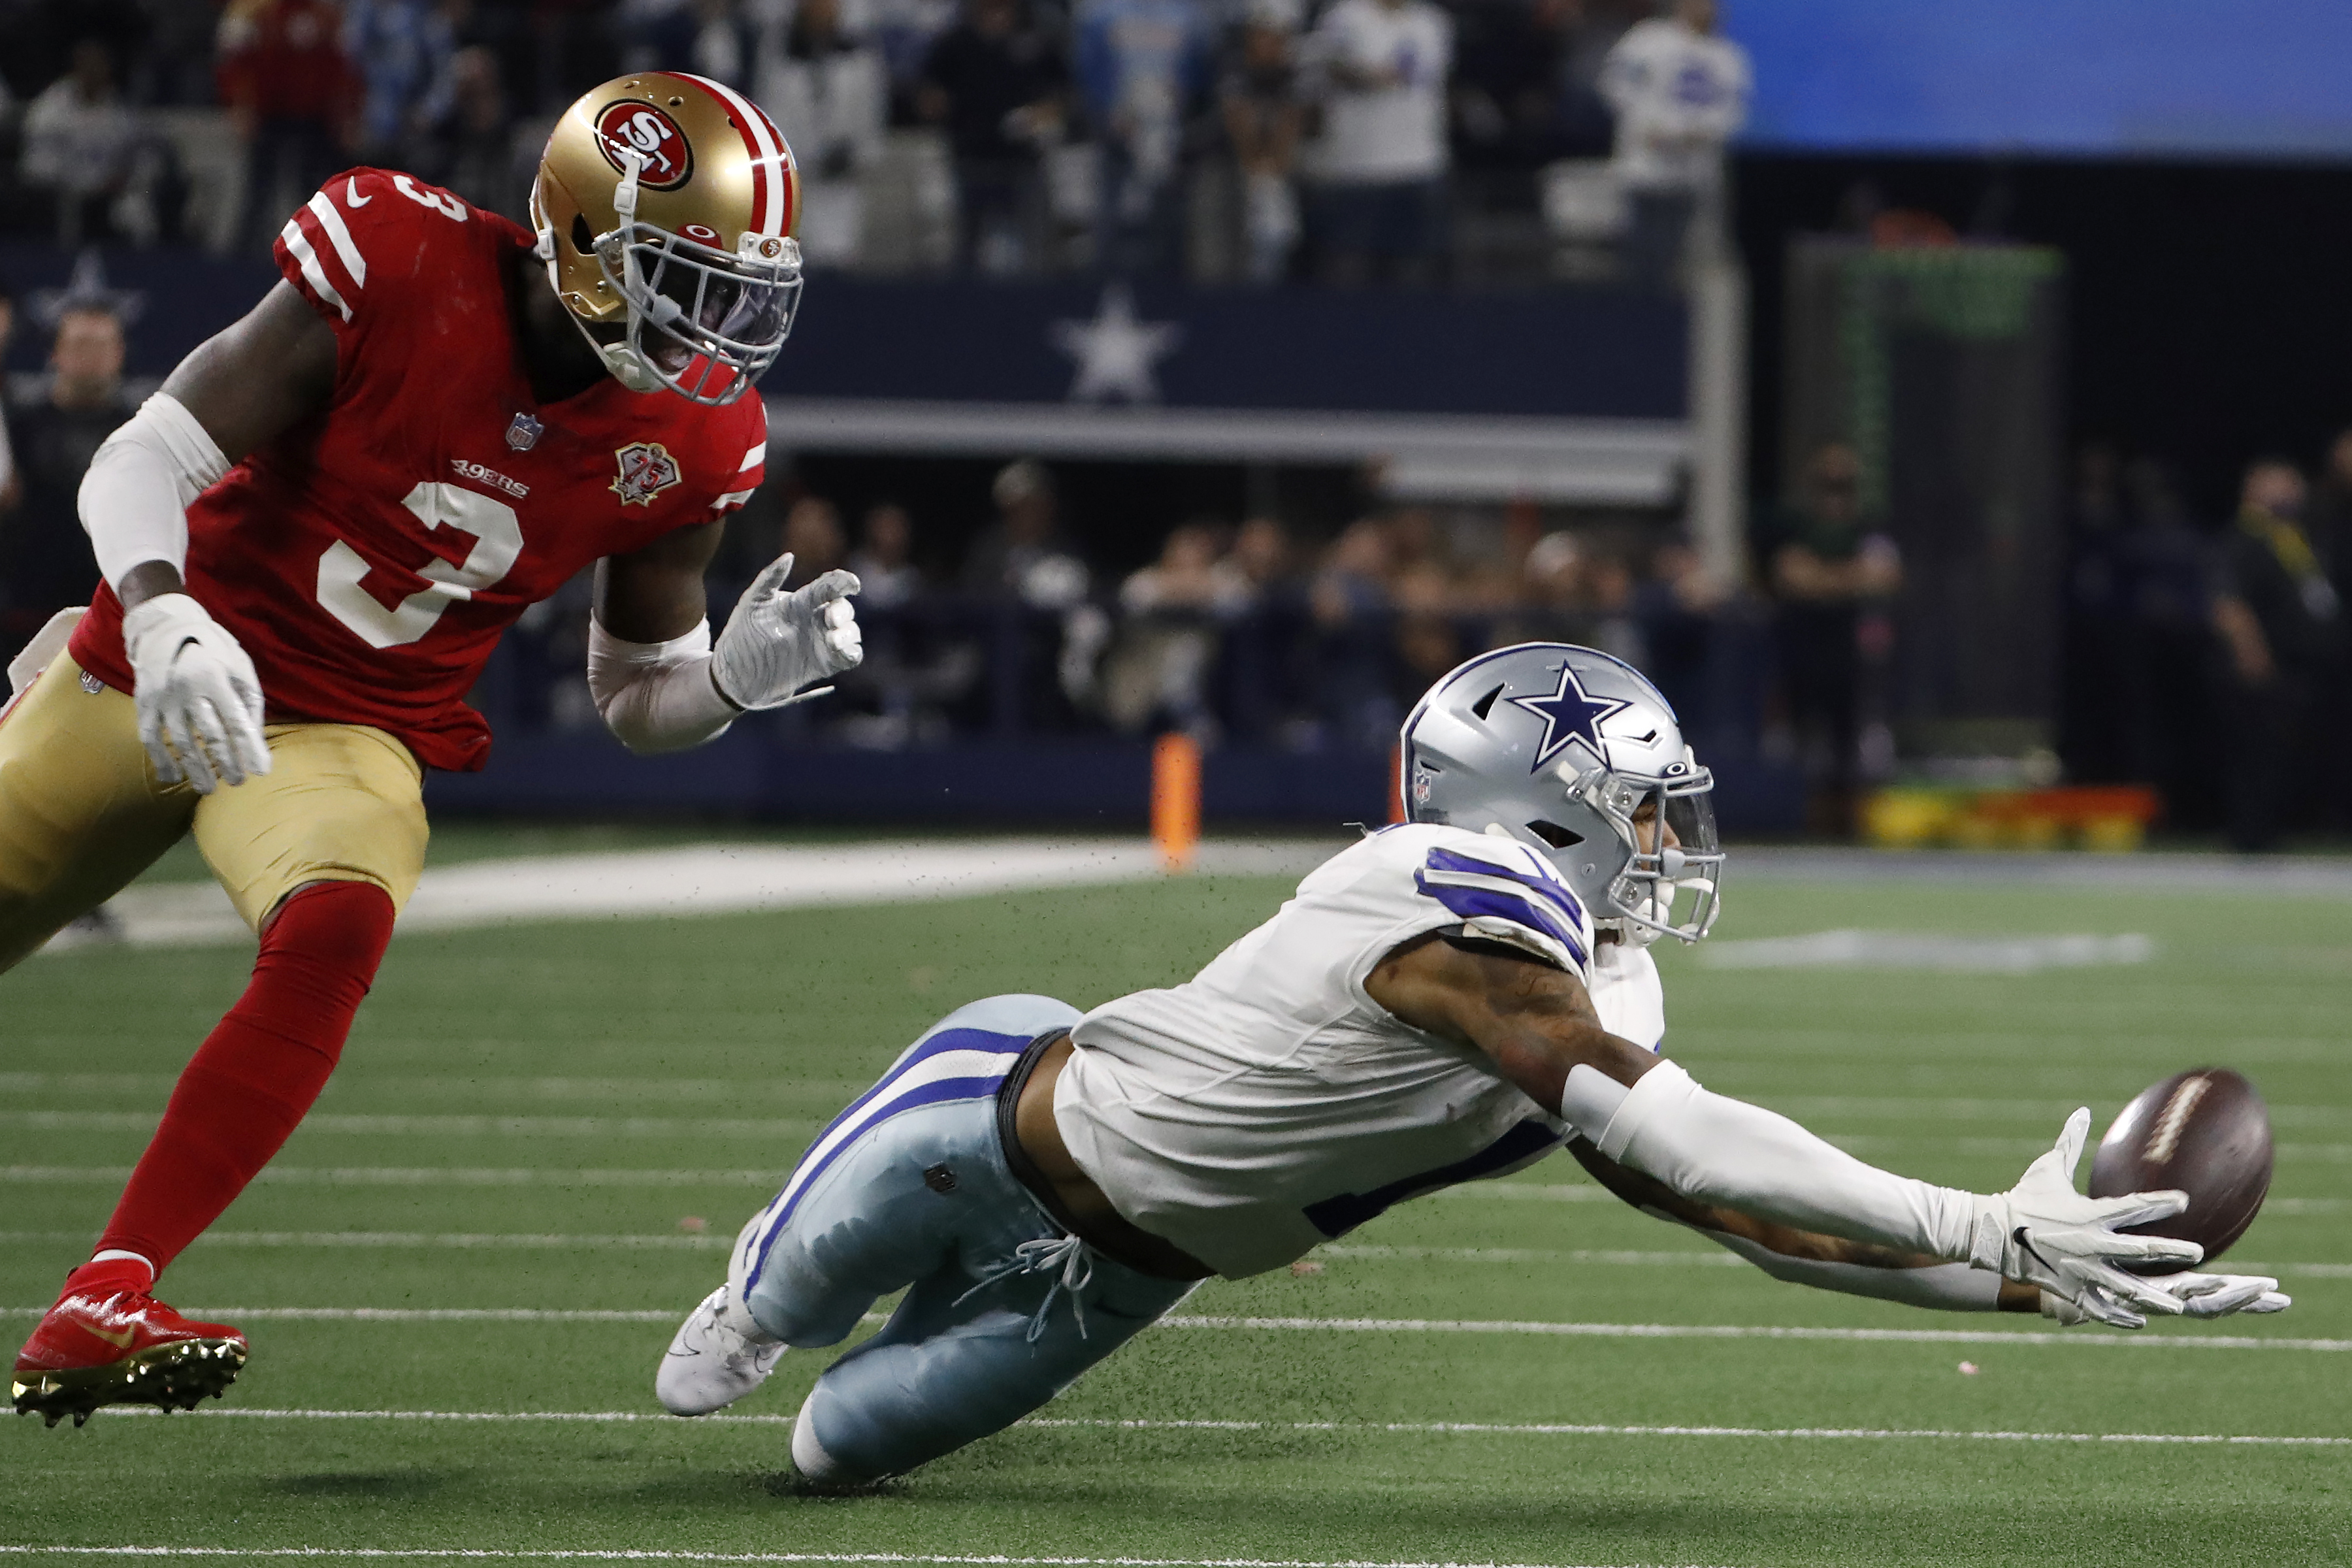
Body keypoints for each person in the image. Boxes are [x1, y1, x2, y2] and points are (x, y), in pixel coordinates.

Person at [654, 641, 2288, 1486]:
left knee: (830, 1453)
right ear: (1541, 799)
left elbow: (1744, 1220)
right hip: (978, 1130)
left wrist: (2035, 1280)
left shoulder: (1596, 977)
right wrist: (1974, 1213)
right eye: (1643, 801)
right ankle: (761, 1269)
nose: (1665, 834)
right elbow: (1693, 1135)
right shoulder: (1440, 894)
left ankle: (826, 1329)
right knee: (754, 1337)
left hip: (1124, 1275)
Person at [6, 72, 866, 1428]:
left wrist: (731, 684)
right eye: (686, 277)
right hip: (151, 673)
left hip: (346, 727)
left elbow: (637, 693)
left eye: (741, 289)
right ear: (582, 238)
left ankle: (109, 1288)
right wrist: (163, 611)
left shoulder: (692, 440)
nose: (720, 329)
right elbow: (138, 459)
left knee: (339, 920)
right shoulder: (399, 259)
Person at [1760, 440, 1898, 839]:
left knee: (1850, 739)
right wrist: (1850, 578)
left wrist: (1824, 579)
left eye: (1844, 484)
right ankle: (1801, 821)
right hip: (1803, 651)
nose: (1836, 493)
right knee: (1802, 739)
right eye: (1828, 483)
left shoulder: (1869, 528)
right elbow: (1792, 576)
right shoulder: (1795, 526)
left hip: (1852, 655)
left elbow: (1885, 575)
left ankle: (1848, 823)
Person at [2209, 459, 2342, 853]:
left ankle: (2279, 833)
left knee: (2291, 755)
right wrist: (2251, 652)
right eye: (2279, 485)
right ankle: (2250, 840)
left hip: (2306, 670)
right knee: (2257, 755)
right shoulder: (2241, 539)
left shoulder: (2295, 536)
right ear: (2252, 490)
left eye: (2294, 485)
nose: (2291, 493)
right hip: (2264, 669)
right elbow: (2229, 603)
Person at [0, 307, 136, 652]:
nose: (91, 355)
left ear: (120, 353)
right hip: (25, 621)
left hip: (112, 617)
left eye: (102, 345)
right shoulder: (17, 432)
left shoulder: (141, 435)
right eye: (81, 343)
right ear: (55, 353)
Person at [1597, 0, 1748, 291]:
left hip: (1693, 177)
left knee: (1680, 265)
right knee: (1637, 256)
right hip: (1645, 168)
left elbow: (1734, 112)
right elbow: (1614, 83)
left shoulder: (1727, 57)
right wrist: (1649, 125)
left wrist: (1694, 134)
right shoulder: (1648, 39)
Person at [1303, 0, 1452, 285]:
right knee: (1348, 273)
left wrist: (1385, 77)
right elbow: (1328, 68)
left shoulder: (1432, 22)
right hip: (1356, 168)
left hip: (1420, 164)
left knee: (1417, 276)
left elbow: (1430, 79)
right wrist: (1364, 75)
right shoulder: (1344, 17)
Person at [918, 0, 1068, 276]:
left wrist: (1037, 117)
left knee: (1032, 248)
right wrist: (943, 106)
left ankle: (1029, 308)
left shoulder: (1035, 38)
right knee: (967, 245)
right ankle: (964, 305)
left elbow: (1060, 96)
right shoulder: (956, 42)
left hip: (1023, 160)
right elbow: (928, 94)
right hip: (971, 158)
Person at [1073, 0, 1213, 276]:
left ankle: (1169, 283)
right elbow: (1087, 67)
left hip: (1169, 128)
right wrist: (1108, 113)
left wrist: (1182, 100)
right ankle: (1106, 282)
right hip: (1117, 127)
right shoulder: (1101, 12)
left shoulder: (1188, 14)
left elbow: (1200, 68)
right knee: (1111, 211)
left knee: (1169, 212)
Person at [218, 0, 360, 256]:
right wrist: (241, 107)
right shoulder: (257, 12)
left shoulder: (327, 17)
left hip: (315, 118)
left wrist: (345, 117)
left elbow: (342, 69)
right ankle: (246, 253)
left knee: (315, 191)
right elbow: (239, 63)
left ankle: (320, 253)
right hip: (269, 115)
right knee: (259, 190)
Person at [757, 0, 889, 268]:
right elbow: (769, 111)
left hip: (844, 184)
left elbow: (872, 115)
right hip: (798, 183)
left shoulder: (859, 56)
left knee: (840, 257)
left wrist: (854, 154)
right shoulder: (780, 55)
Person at [20, 39, 157, 246]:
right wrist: (78, 184)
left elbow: (143, 158)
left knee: (137, 209)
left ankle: (141, 269)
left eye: (100, 66)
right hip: (61, 192)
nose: (94, 72)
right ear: (77, 68)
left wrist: (125, 179)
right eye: (88, 65)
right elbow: (37, 166)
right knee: (65, 209)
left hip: (109, 194)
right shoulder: (50, 108)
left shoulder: (119, 111)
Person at [1220, 0, 1307, 284]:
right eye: (1261, 35)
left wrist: (1273, 166)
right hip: (1232, 170)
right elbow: (1239, 121)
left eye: (1276, 36)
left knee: (1275, 236)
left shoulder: (1294, 74)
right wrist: (1255, 165)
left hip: (1282, 172)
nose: (1268, 43)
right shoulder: (1235, 70)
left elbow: (1291, 123)